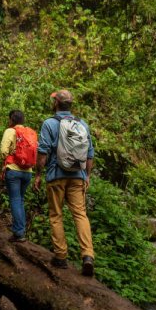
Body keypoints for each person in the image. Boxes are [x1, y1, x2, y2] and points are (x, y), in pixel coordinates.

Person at [34, 90, 96, 276]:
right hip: (77, 175)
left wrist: (38, 174)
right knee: (80, 215)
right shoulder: (82, 124)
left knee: (56, 215)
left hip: (56, 176)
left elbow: (43, 153)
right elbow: (90, 154)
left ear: (56, 104)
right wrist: (87, 176)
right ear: (71, 105)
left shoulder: (49, 124)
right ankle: (87, 255)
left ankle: (61, 257)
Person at [0, 110, 35, 242]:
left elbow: (3, 151)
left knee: (15, 200)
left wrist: (7, 156)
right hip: (28, 172)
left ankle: (19, 233)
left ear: (11, 120)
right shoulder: (29, 132)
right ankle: (20, 231)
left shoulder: (10, 131)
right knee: (20, 200)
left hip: (14, 171)